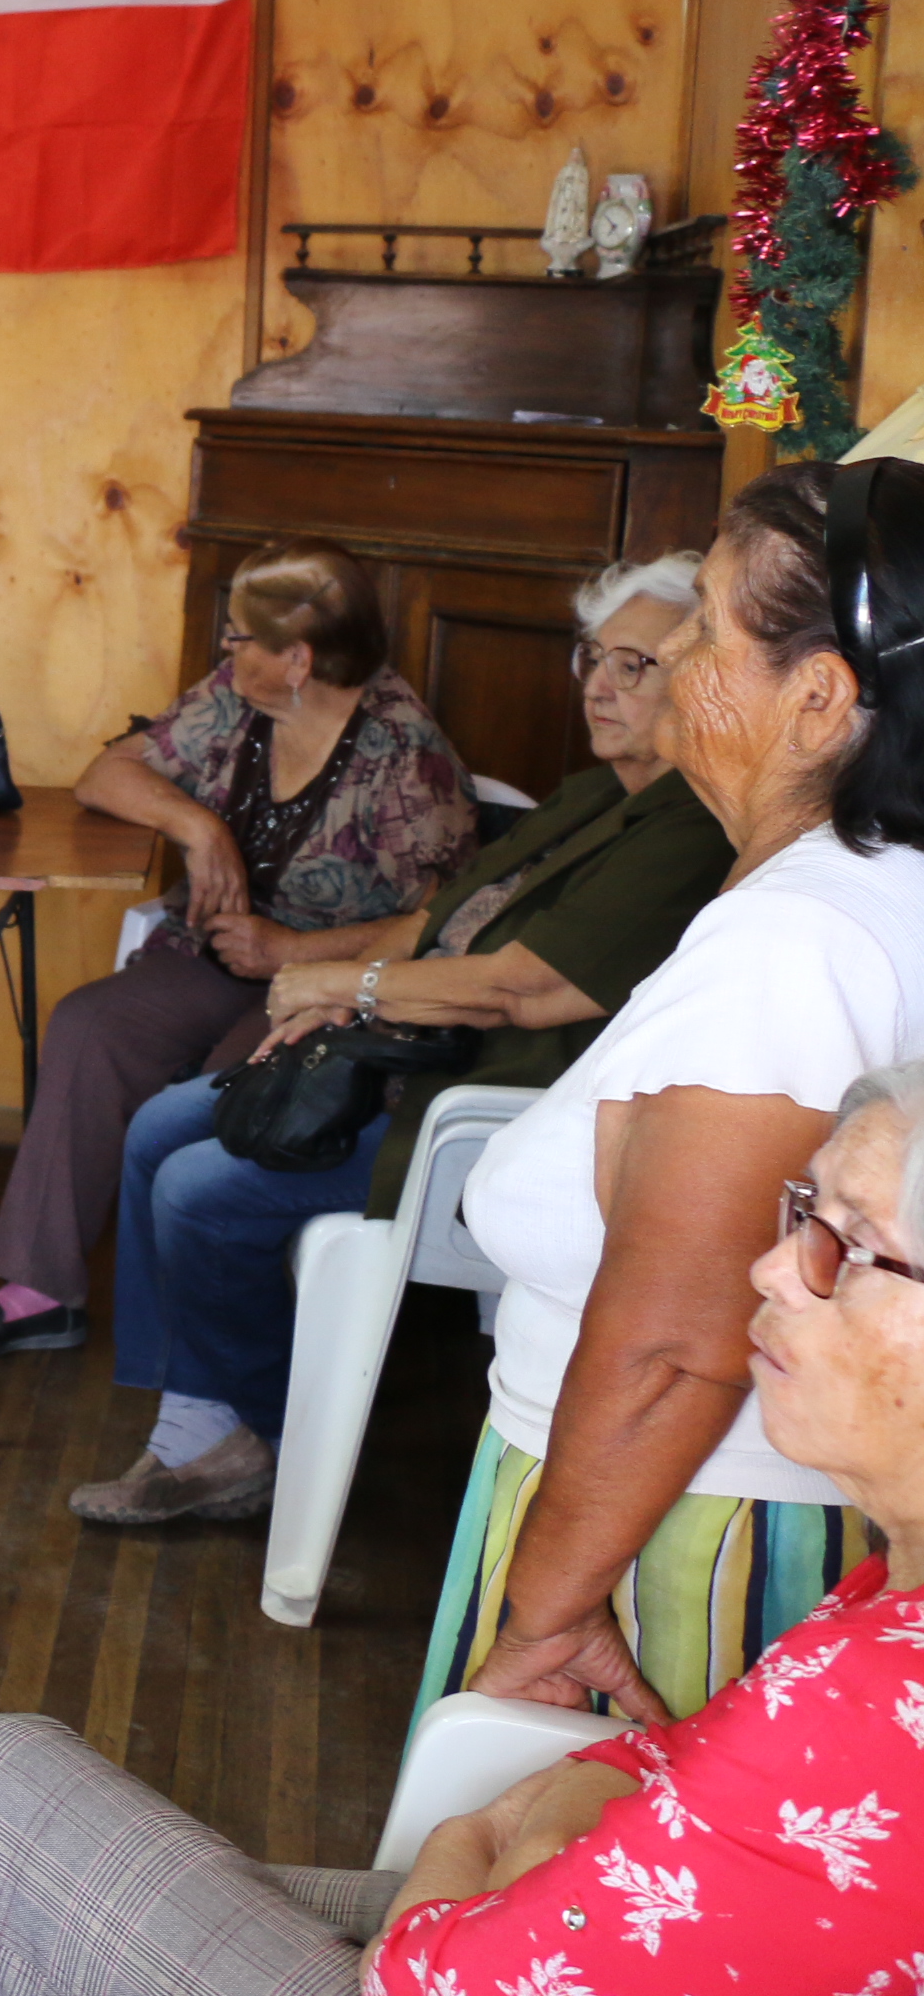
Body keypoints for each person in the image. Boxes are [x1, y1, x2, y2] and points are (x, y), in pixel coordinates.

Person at [0, 1062, 924, 1996]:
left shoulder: (881, 1694)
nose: (770, 1267)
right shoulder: (888, 1589)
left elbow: (430, 1969)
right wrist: (538, 1829)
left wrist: (483, 1835)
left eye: (848, 1245)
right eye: (798, 1212)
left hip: (446, 1960)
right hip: (539, 1920)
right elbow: (642, 1781)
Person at [71, 555, 736, 1524]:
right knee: (163, 1121)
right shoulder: (597, 796)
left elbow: (529, 986)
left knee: (201, 1191)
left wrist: (350, 981)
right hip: (403, 1057)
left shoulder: (691, 827)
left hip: (483, 1117)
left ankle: (246, 1437)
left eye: (637, 664)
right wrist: (326, 989)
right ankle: (195, 1417)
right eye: (595, 657)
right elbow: (439, 920)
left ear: (701, 676)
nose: (601, 683)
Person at [422, 458, 924, 1723]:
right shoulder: (856, 895)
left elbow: (672, 1346)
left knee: (551, 1890)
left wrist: (546, 1608)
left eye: (703, 623)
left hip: (684, 1540)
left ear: (817, 697)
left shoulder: (796, 944)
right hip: (683, 1509)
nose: (671, 661)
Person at [0, 539, 473, 1359]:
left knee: (227, 1084)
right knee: (89, 1028)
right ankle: (40, 1293)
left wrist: (295, 948)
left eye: (240, 638)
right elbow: (103, 776)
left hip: (327, 985)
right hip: (208, 954)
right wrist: (197, 824)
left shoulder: (404, 757)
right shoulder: (237, 701)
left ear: (298, 658)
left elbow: (443, 924)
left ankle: (201, 1342)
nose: (225, 650)